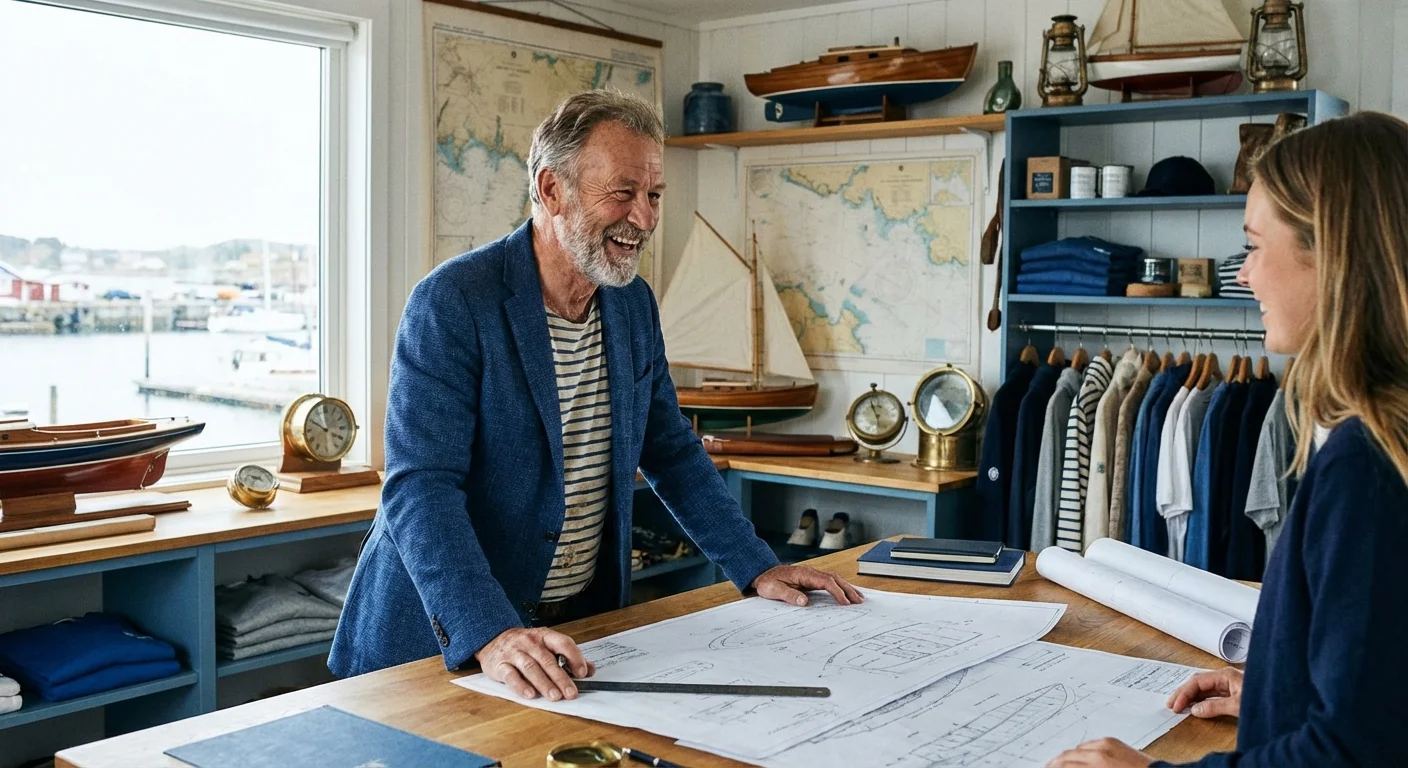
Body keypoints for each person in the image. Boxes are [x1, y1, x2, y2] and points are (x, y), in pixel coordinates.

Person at [328, 90, 862, 702]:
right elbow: (419, 488)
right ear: (552, 190)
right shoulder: (452, 302)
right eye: (623, 193)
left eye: (654, 195)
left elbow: (671, 451)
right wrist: (493, 631)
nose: (645, 218)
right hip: (441, 642)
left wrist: (757, 564)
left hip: (574, 632)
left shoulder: (632, 305)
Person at [1046, 111, 1408, 767]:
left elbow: (1352, 753)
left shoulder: (1367, 464)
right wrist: (1275, 689)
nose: (1242, 274)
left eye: (1255, 246)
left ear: (1331, 252)